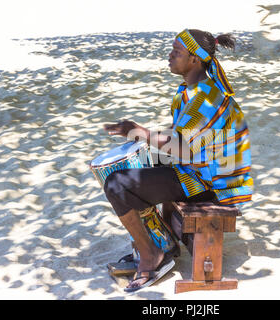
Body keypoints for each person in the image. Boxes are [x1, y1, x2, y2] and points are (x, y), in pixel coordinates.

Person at [103, 29, 253, 292]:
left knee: (117, 184)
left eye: (177, 52)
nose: (170, 56)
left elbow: (184, 150)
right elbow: (184, 142)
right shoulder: (189, 91)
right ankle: (159, 242)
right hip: (201, 171)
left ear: (195, 59)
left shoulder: (204, 99)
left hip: (216, 184)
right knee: (141, 165)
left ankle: (152, 257)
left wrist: (139, 132)